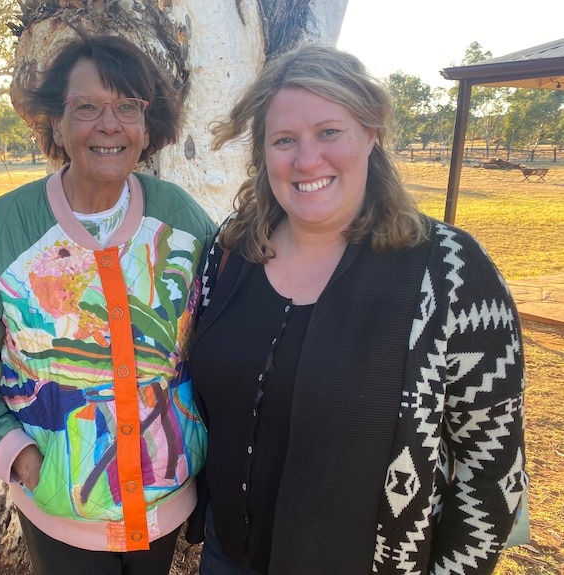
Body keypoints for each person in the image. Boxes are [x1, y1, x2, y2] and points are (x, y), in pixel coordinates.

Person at [188, 43, 527, 575]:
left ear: (371, 134)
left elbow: (493, 474)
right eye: (284, 140)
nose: (306, 159)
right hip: (225, 554)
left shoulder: (451, 273)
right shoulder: (230, 255)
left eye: (329, 132)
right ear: (263, 154)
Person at [0, 34, 216, 575]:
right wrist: (23, 458)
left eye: (127, 106)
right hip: (58, 511)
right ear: (55, 125)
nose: (109, 124)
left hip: (167, 503)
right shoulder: (4, 233)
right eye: (87, 107)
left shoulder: (181, 219)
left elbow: (223, 334)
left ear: (146, 123)